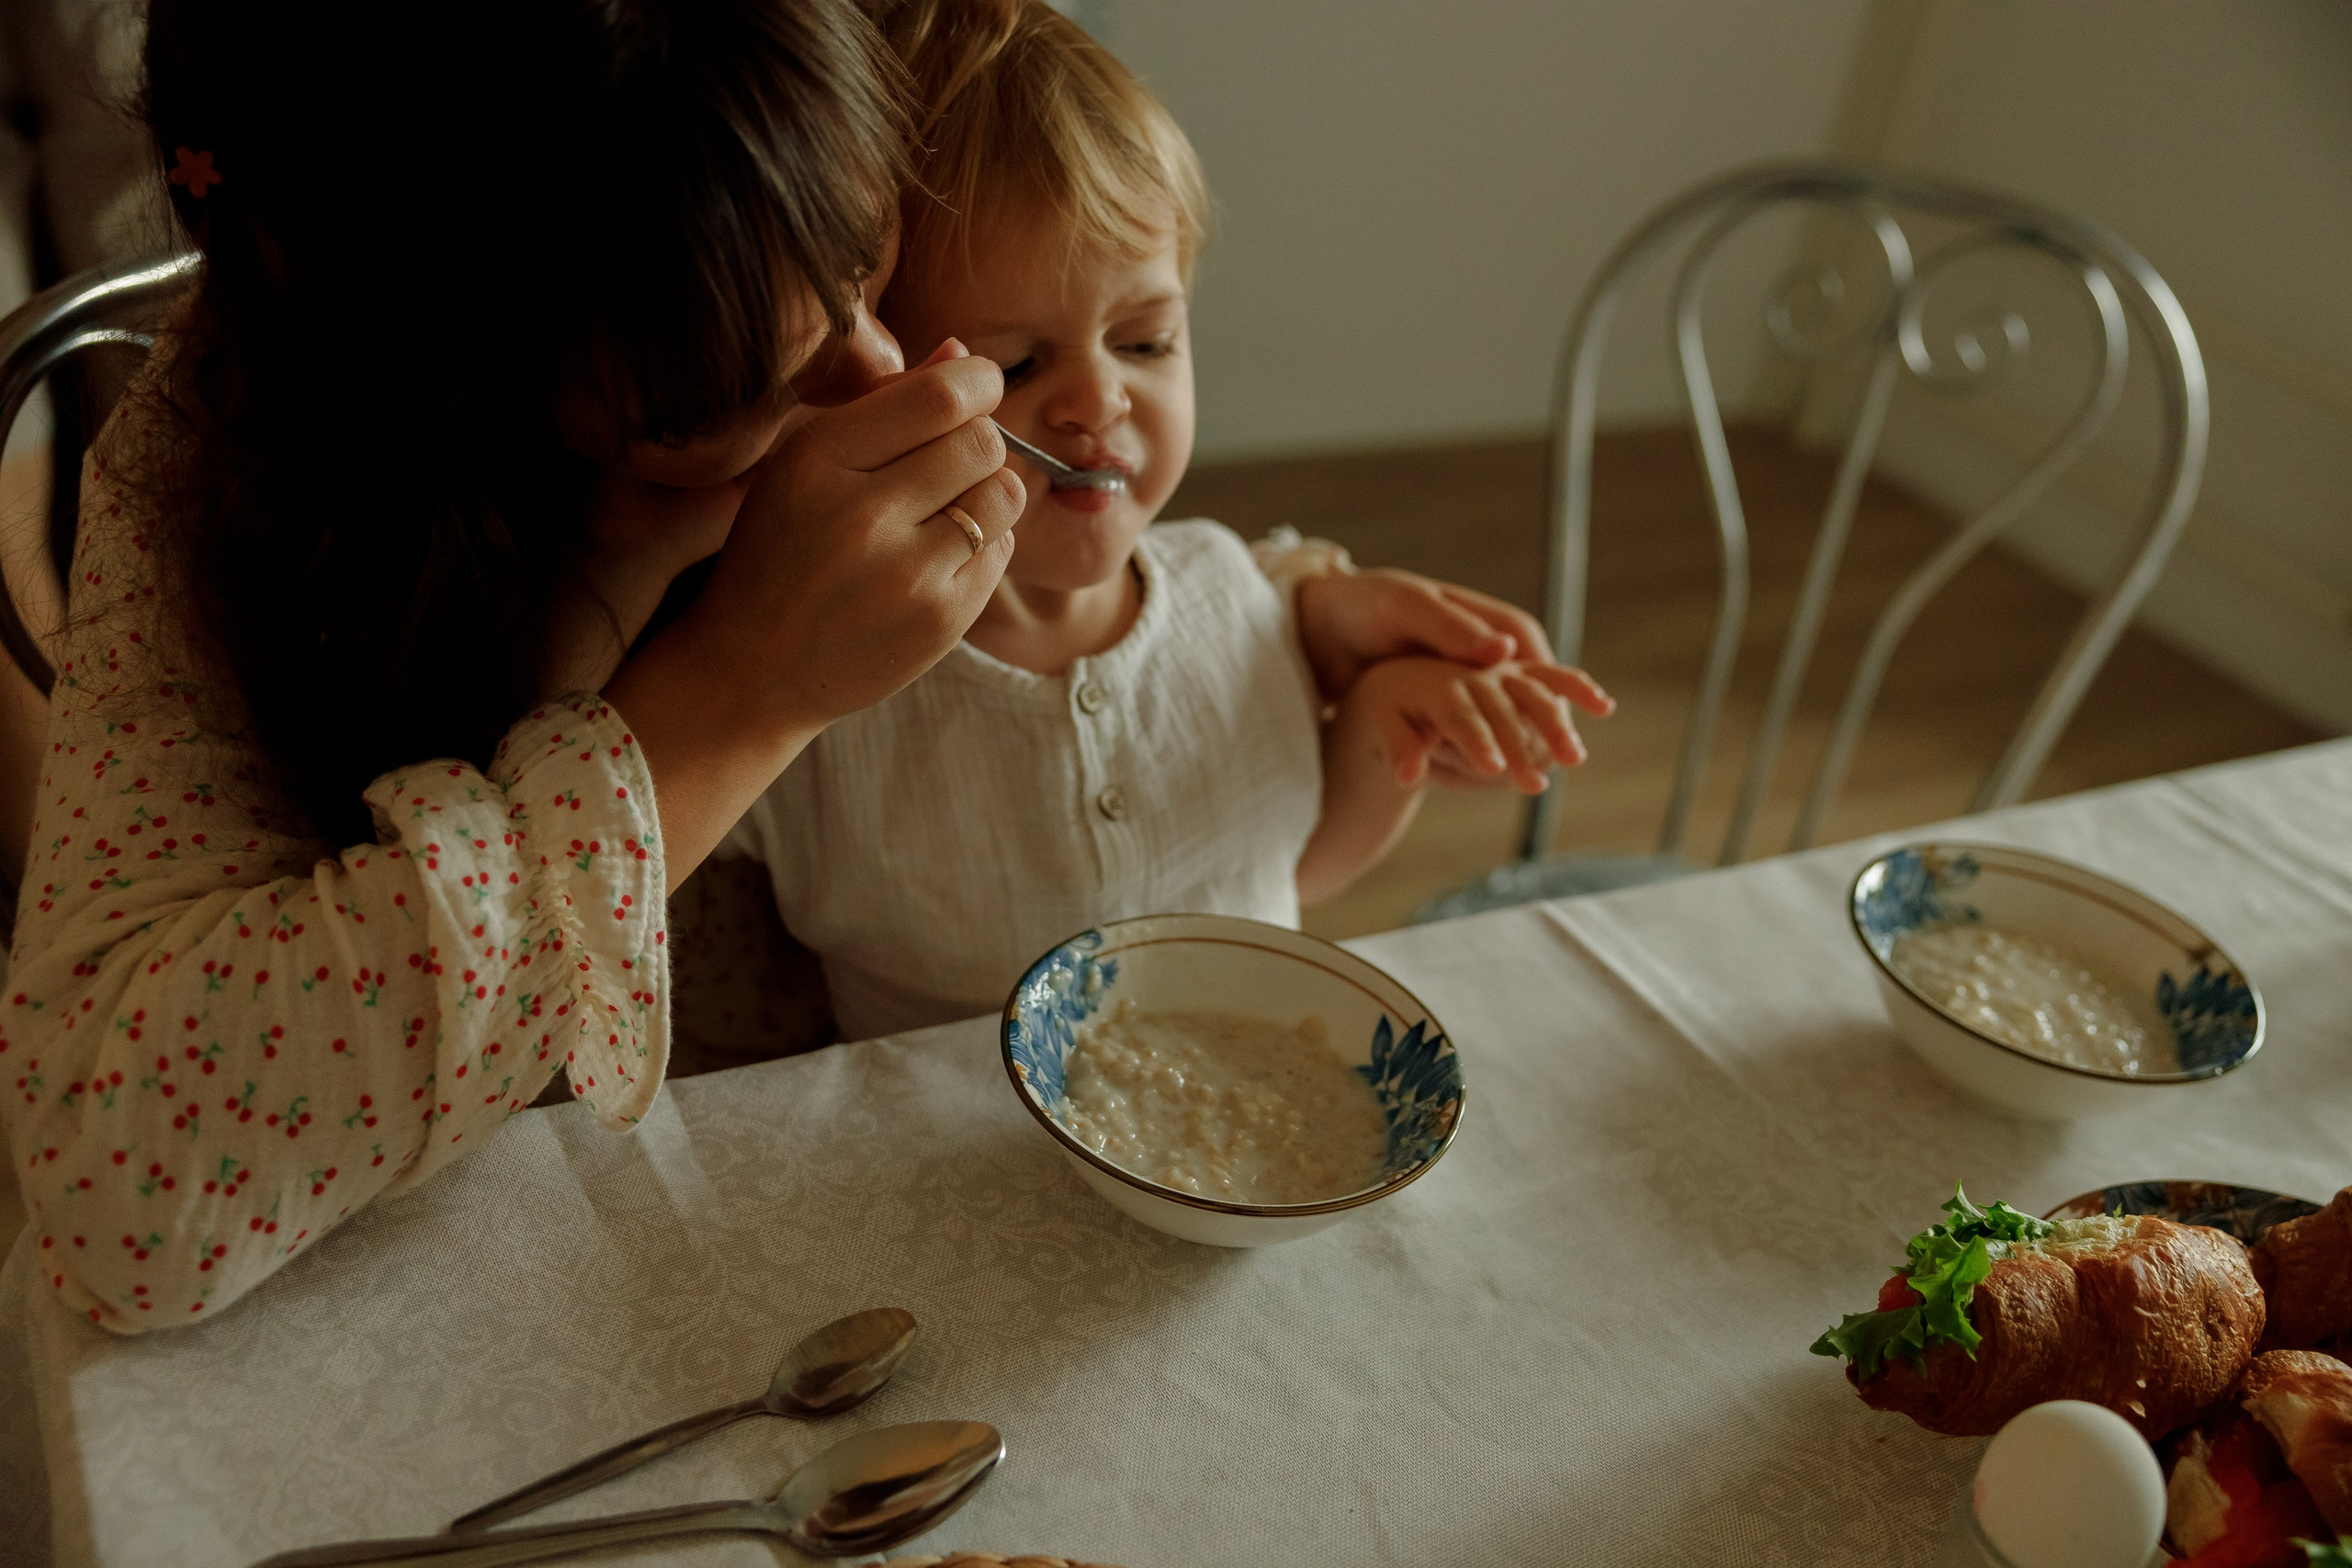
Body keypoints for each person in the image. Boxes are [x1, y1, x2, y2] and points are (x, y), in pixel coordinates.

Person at [1, 0, 1568, 1331]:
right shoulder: (246, 464)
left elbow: (1072, 413)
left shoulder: (834, 51)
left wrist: (1282, 599)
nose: (887, 377)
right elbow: (119, 1176)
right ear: (469, 411)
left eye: (863, 259)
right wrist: (732, 695)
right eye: (728, 382)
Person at [722, 0, 1613, 1039]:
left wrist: (1384, 729)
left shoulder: (1237, 595)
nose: (1098, 403)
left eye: (1145, 343)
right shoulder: (818, 673)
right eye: (1016, 364)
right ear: (868, 382)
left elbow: (1280, 881)